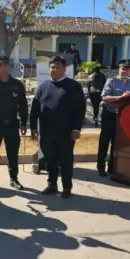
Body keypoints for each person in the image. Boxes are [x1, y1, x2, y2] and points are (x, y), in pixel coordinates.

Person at [29, 56, 86, 198]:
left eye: (57, 67)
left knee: (66, 161)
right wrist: (33, 127)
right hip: (46, 132)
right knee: (50, 160)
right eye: (52, 67)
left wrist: (76, 129)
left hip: (66, 133)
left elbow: (80, 109)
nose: (54, 70)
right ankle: (52, 185)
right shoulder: (43, 87)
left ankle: (67, 188)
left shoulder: (74, 86)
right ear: (49, 69)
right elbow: (35, 107)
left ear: (64, 69)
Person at [0, 56, 28, 190]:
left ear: (10, 67)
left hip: (11, 124)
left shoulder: (17, 85)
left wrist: (23, 123)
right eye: (0, 65)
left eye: (6, 65)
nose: (3, 68)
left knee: (13, 154)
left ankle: (14, 179)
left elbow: (23, 106)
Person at [97, 60, 130, 177]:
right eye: (123, 69)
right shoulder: (112, 81)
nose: (125, 71)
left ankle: (113, 167)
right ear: (119, 70)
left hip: (125, 117)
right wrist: (120, 97)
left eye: (128, 69)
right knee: (104, 142)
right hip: (110, 114)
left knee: (118, 143)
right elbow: (105, 97)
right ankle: (101, 167)